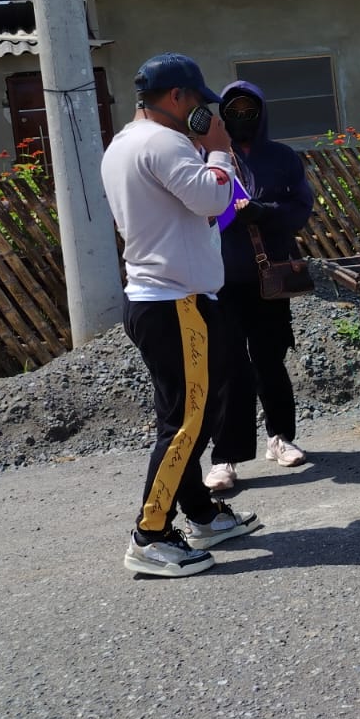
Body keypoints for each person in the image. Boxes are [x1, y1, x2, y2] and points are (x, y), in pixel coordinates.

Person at [102, 53, 262, 578]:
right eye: (198, 101)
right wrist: (217, 150)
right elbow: (212, 200)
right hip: (177, 303)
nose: (205, 113)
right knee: (186, 423)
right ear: (176, 97)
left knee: (187, 415)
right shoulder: (165, 143)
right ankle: (150, 535)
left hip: (161, 299)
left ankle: (201, 514)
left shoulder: (124, 143)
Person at [204, 82, 315, 492]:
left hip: (271, 280)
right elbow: (193, 209)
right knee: (229, 368)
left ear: (261, 113)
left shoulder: (282, 158)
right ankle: (224, 458)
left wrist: (263, 212)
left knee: (270, 361)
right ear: (223, 115)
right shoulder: (210, 158)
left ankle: (280, 438)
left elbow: (301, 208)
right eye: (233, 111)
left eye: (249, 110)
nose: (241, 118)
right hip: (221, 281)